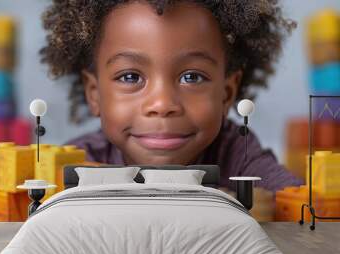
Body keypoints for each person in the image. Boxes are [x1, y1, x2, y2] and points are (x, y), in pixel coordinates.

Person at [40, 0, 304, 191]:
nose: (162, 104)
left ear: (227, 94)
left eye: (192, 77)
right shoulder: (79, 162)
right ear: (95, 94)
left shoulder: (237, 156)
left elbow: (298, 205)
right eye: (130, 77)